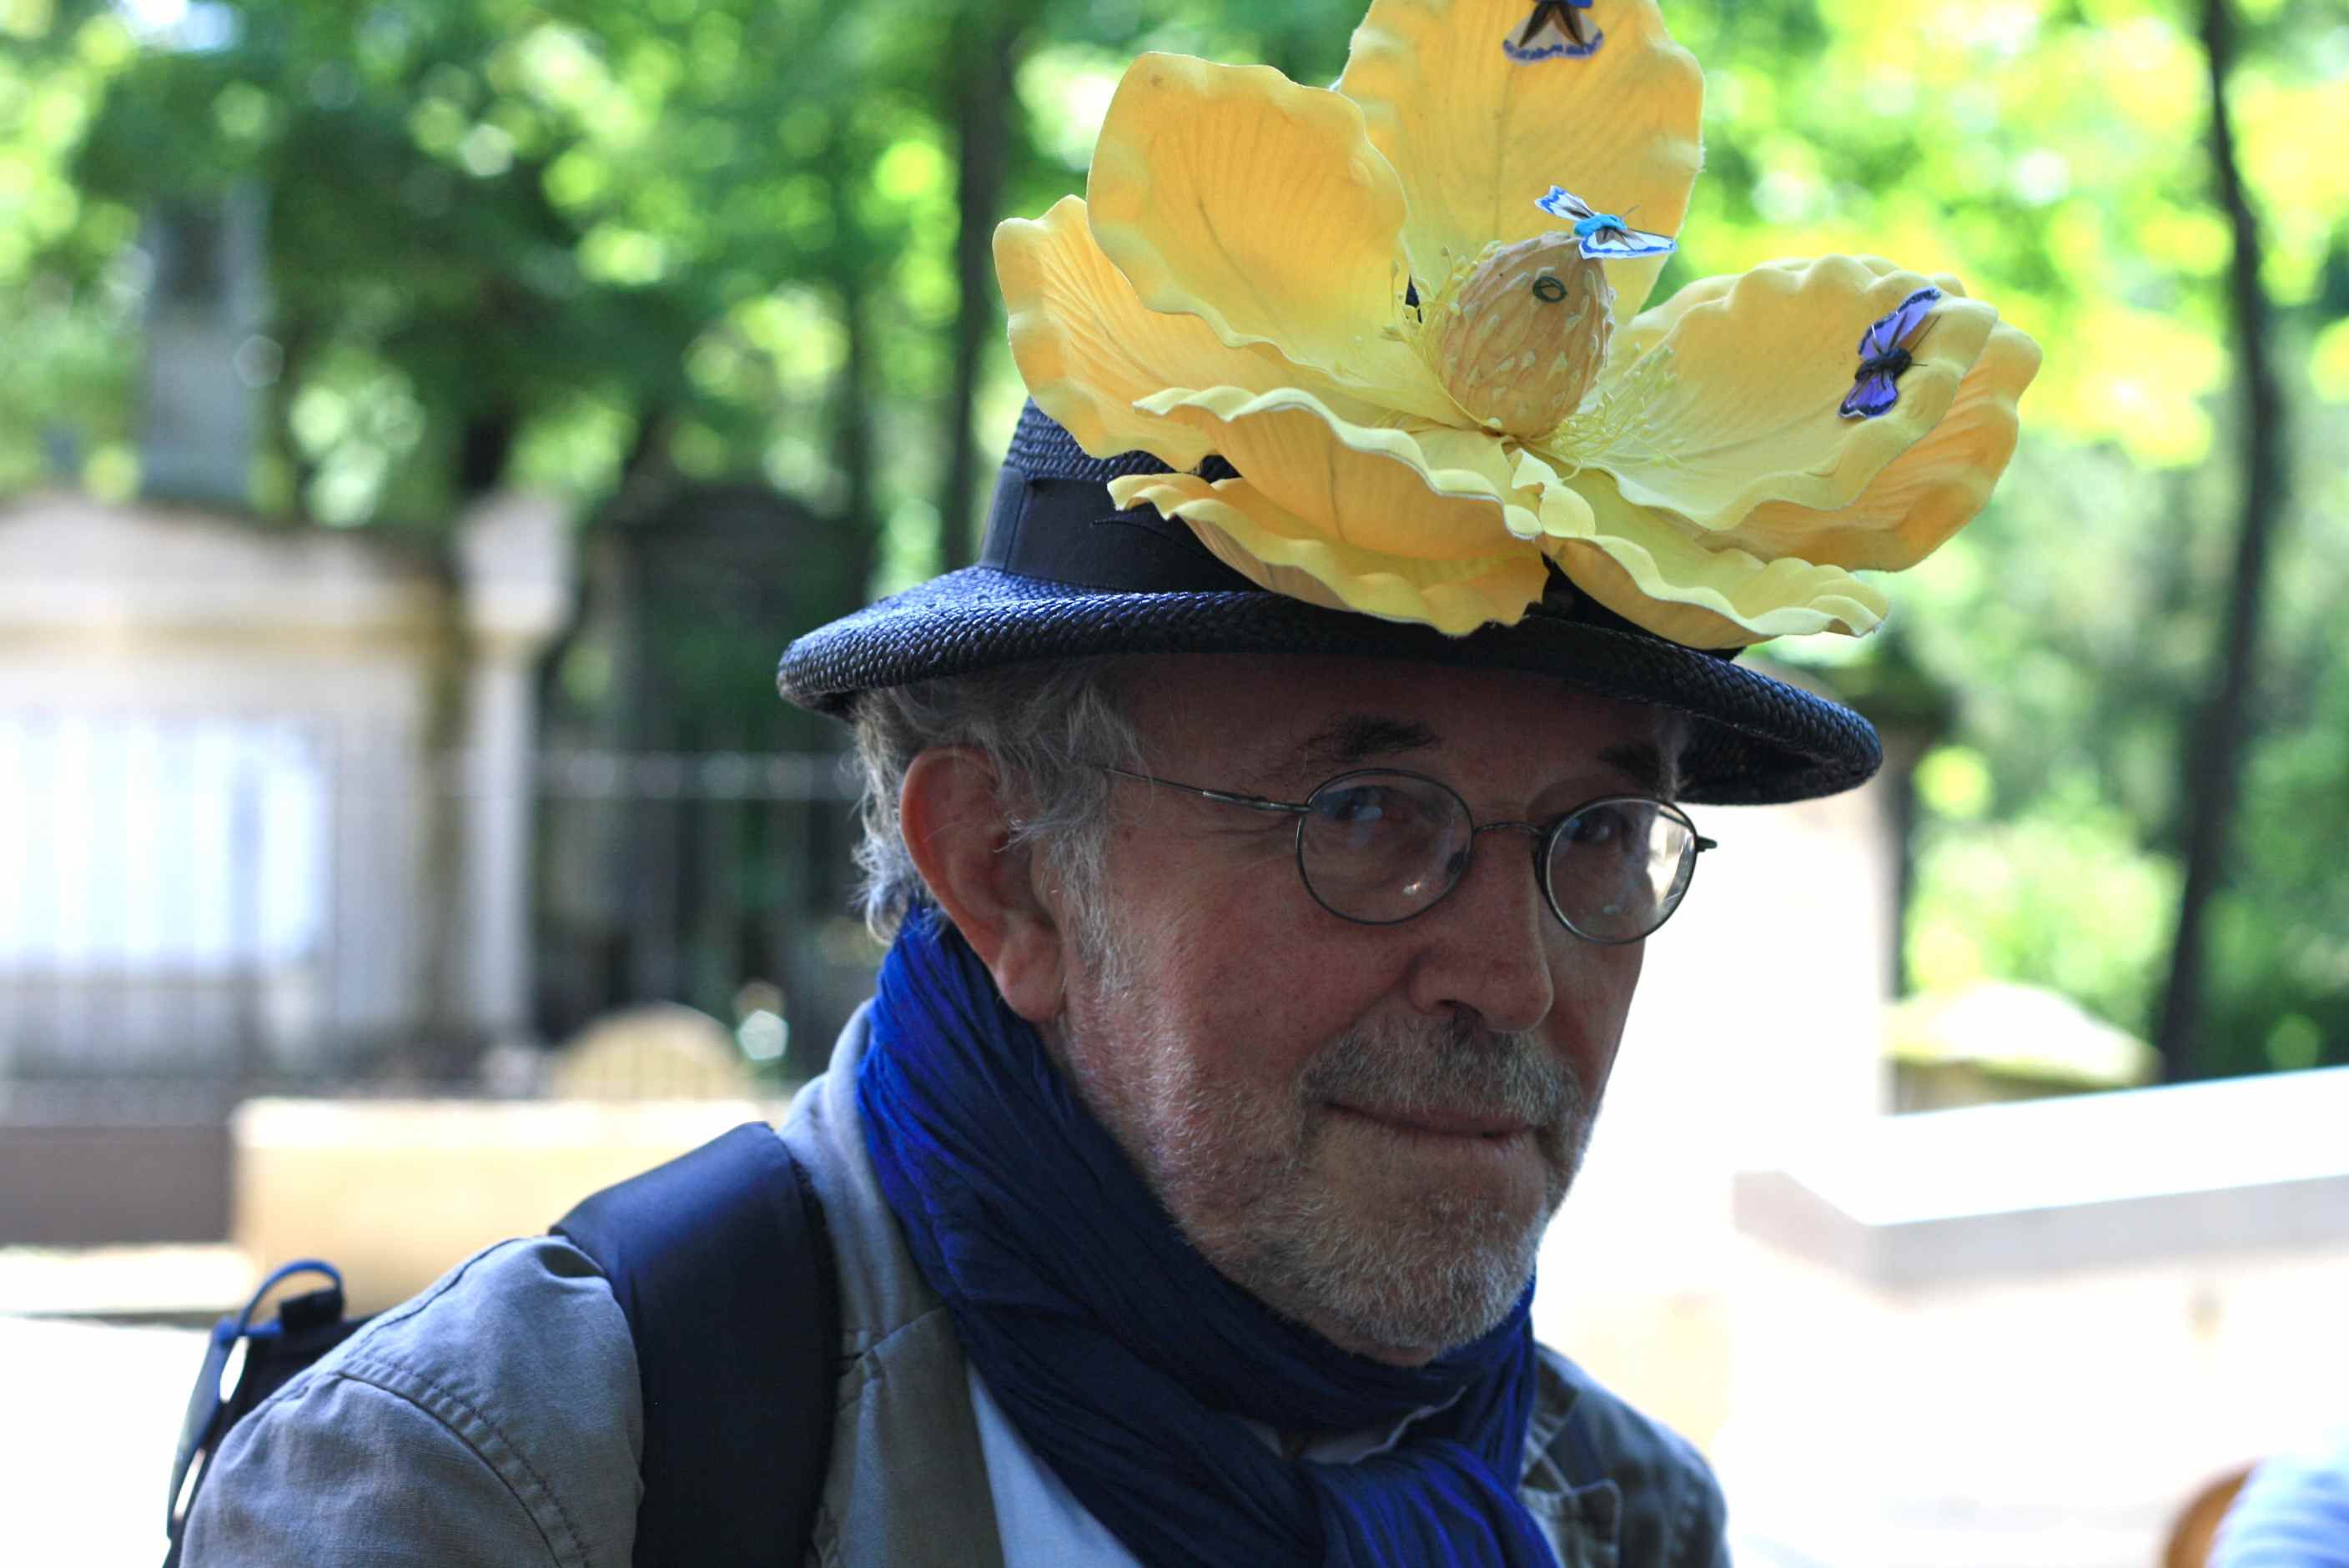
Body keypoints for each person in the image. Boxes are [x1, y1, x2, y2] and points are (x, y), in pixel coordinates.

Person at [179, 0, 2036, 1561]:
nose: (1511, 971)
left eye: (1601, 835)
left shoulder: (1620, 1518)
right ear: (1007, 869)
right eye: (1367, 818)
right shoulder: (514, 1483)